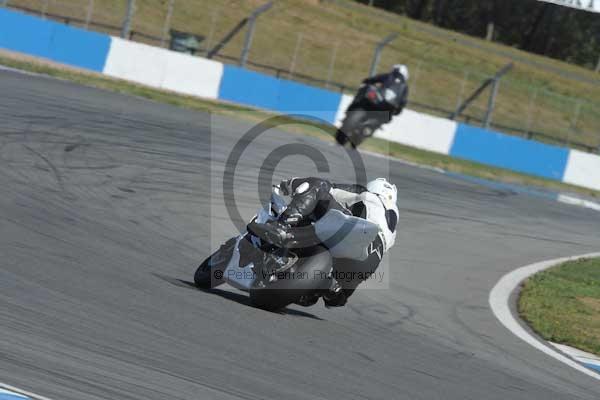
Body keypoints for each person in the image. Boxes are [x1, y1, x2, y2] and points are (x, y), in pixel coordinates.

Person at [250, 177, 399, 308]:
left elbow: (329, 187)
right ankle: (329, 288)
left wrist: (289, 183)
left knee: (317, 186)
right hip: (369, 261)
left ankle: (282, 226)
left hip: (354, 231)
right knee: (338, 297)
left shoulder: (366, 193)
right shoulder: (392, 228)